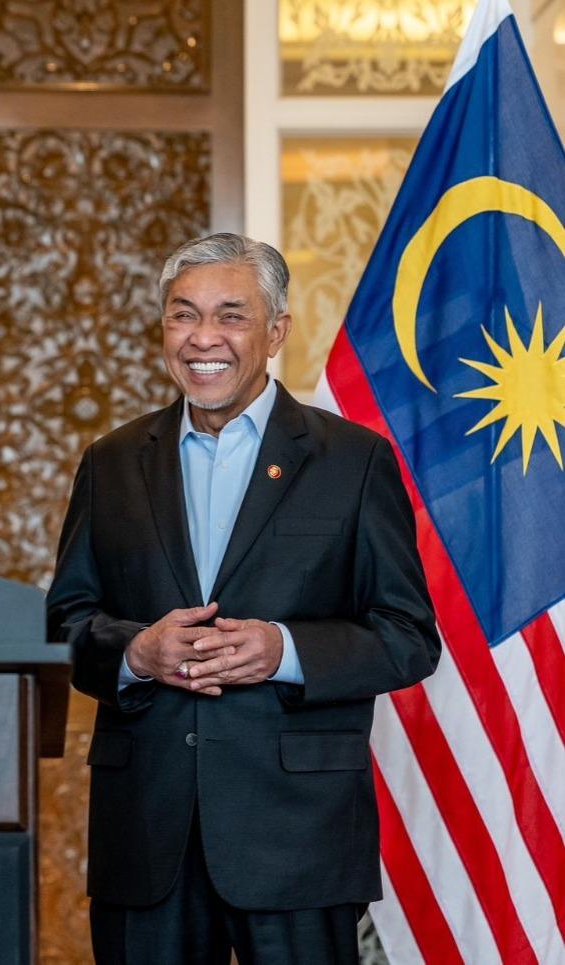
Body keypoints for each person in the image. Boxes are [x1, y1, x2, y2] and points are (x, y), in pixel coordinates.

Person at [46, 233, 440, 964]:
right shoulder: (111, 462)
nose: (203, 338)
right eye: (183, 314)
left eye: (231, 315)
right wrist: (136, 652)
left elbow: (408, 635)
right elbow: (65, 624)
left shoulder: (354, 461)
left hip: (298, 838)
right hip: (147, 833)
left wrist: (283, 650)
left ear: (276, 332)